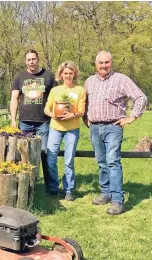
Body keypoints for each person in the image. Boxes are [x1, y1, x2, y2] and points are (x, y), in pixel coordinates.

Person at [84, 51, 148, 215]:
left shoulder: (121, 79)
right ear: (95, 64)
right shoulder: (89, 82)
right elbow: (83, 102)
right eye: (101, 63)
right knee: (101, 162)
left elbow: (141, 97)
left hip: (113, 127)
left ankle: (117, 200)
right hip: (95, 127)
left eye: (107, 62)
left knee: (112, 161)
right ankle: (105, 193)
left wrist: (132, 117)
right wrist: (86, 118)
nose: (104, 66)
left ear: (111, 63)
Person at [10, 49, 57, 194]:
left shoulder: (48, 76)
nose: (31, 62)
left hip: (43, 122)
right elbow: (14, 99)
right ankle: (28, 187)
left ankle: (52, 188)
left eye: (34, 59)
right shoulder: (20, 77)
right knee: (25, 155)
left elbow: (55, 97)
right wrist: (13, 119)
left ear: (38, 59)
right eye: (29, 59)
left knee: (45, 154)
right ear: (25, 61)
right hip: (25, 122)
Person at [44, 62, 86, 201]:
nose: (68, 76)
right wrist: (53, 115)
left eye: (70, 73)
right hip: (55, 128)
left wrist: (72, 115)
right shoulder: (55, 90)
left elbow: (81, 111)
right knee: (51, 159)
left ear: (74, 74)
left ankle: (69, 189)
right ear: (61, 74)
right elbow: (47, 109)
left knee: (69, 161)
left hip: (72, 129)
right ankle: (54, 188)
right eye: (65, 73)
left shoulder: (80, 90)